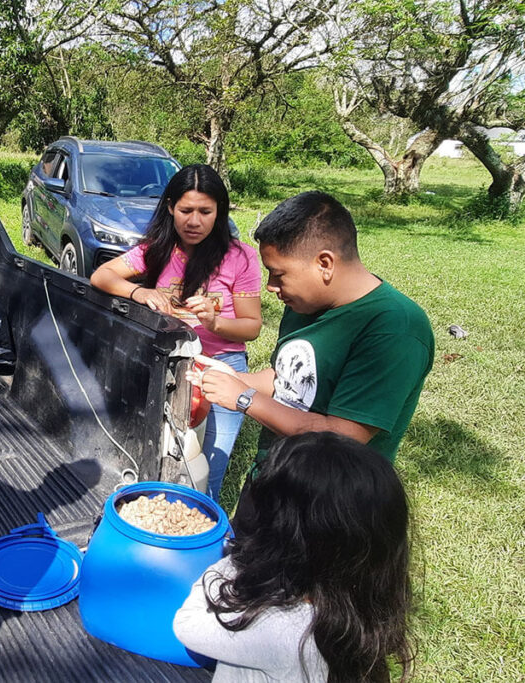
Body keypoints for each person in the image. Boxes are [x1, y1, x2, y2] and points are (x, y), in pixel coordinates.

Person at [191, 191, 434, 465]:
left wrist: (244, 398)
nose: (271, 286)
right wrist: (231, 378)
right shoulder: (303, 304)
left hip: (327, 498)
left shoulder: (395, 329)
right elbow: (286, 381)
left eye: (279, 274)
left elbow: (343, 437)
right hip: (272, 474)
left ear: (325, 264)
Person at [174, 431, 414, 682]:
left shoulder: (278, 627)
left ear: (281, 538)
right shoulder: (356, 617)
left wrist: (237, 557)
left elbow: (187, 625)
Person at [90, 164, 262, 501]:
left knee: (209, 465)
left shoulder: (239, 258)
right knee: (165, 452)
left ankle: (199, 526)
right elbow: (102, 276)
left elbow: (252, 326)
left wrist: (215, 323)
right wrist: (140, 293)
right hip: (170, 366)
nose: (194, 221)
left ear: (219, 212)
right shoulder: (158, 249)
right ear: (170, 208)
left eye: (205, 211)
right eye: (185, 210)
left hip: (222, 367)